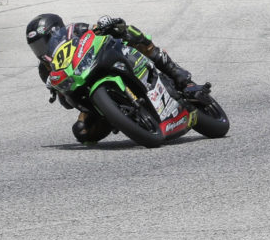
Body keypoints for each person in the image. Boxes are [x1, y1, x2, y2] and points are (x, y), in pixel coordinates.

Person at [25, 13, 202, 143]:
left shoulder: (75, 30)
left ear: (56, 32)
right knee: (81, 131)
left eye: (42, 43)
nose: (40, 50)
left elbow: (96, 30)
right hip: (88, 93)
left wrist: (107, 24)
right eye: (36, 47)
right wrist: (59, 90)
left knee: (126, 31)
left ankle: (176, 72)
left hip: (103, 61)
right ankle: (118, 117)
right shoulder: (45, 70)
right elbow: (66, 103)